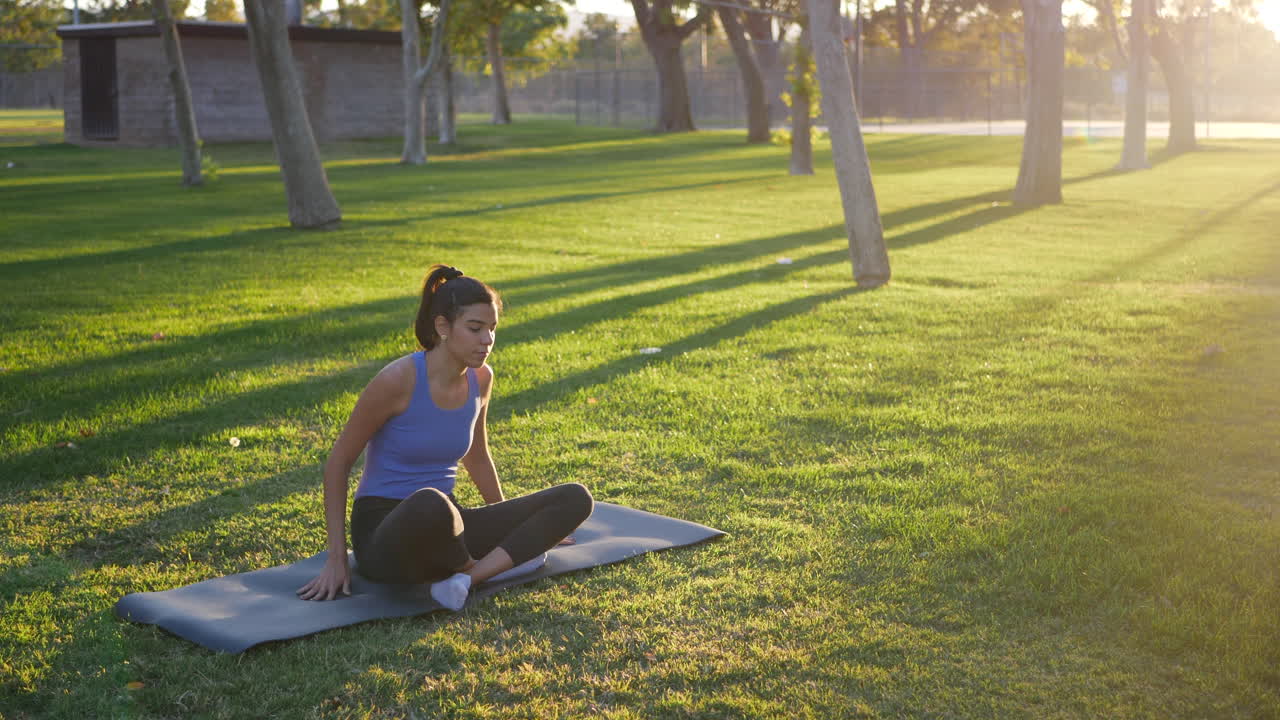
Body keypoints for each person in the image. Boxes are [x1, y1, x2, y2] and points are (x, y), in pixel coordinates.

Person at [297, 265, 593, 610]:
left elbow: (478, 456)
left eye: (492, 329)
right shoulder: (397, 380)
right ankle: (485, 566)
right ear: (443, 327)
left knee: (576, 497)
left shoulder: (480, 379)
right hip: (387, 536)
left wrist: (511, 523)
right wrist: (336, 558)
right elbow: (338, 462)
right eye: (475, 328)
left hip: (449, 528)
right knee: (431, 501)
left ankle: (467, 578)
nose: (487, 340)